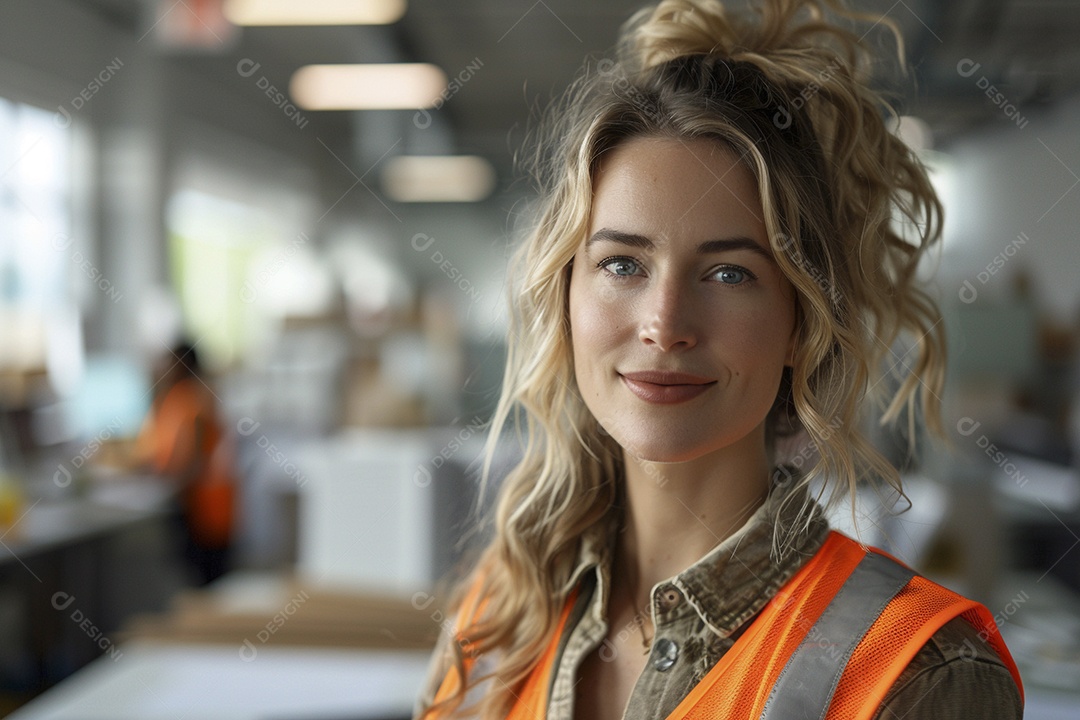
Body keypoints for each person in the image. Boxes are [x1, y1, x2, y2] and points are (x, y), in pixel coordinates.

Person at [415, 0, 1024, 717]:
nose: (665, 324)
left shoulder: (915, 673)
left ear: (803, 321)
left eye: (729, 274)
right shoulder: (499, 615)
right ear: (566, 295)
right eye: (622, 265)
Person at [138, 342, 236, 586]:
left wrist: (166, 489)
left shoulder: (195, 400)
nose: (162, 369)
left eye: (168, 363)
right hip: (198, 503)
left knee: (207, 581)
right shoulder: (177, 399)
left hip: (206, 507)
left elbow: (192, 460)